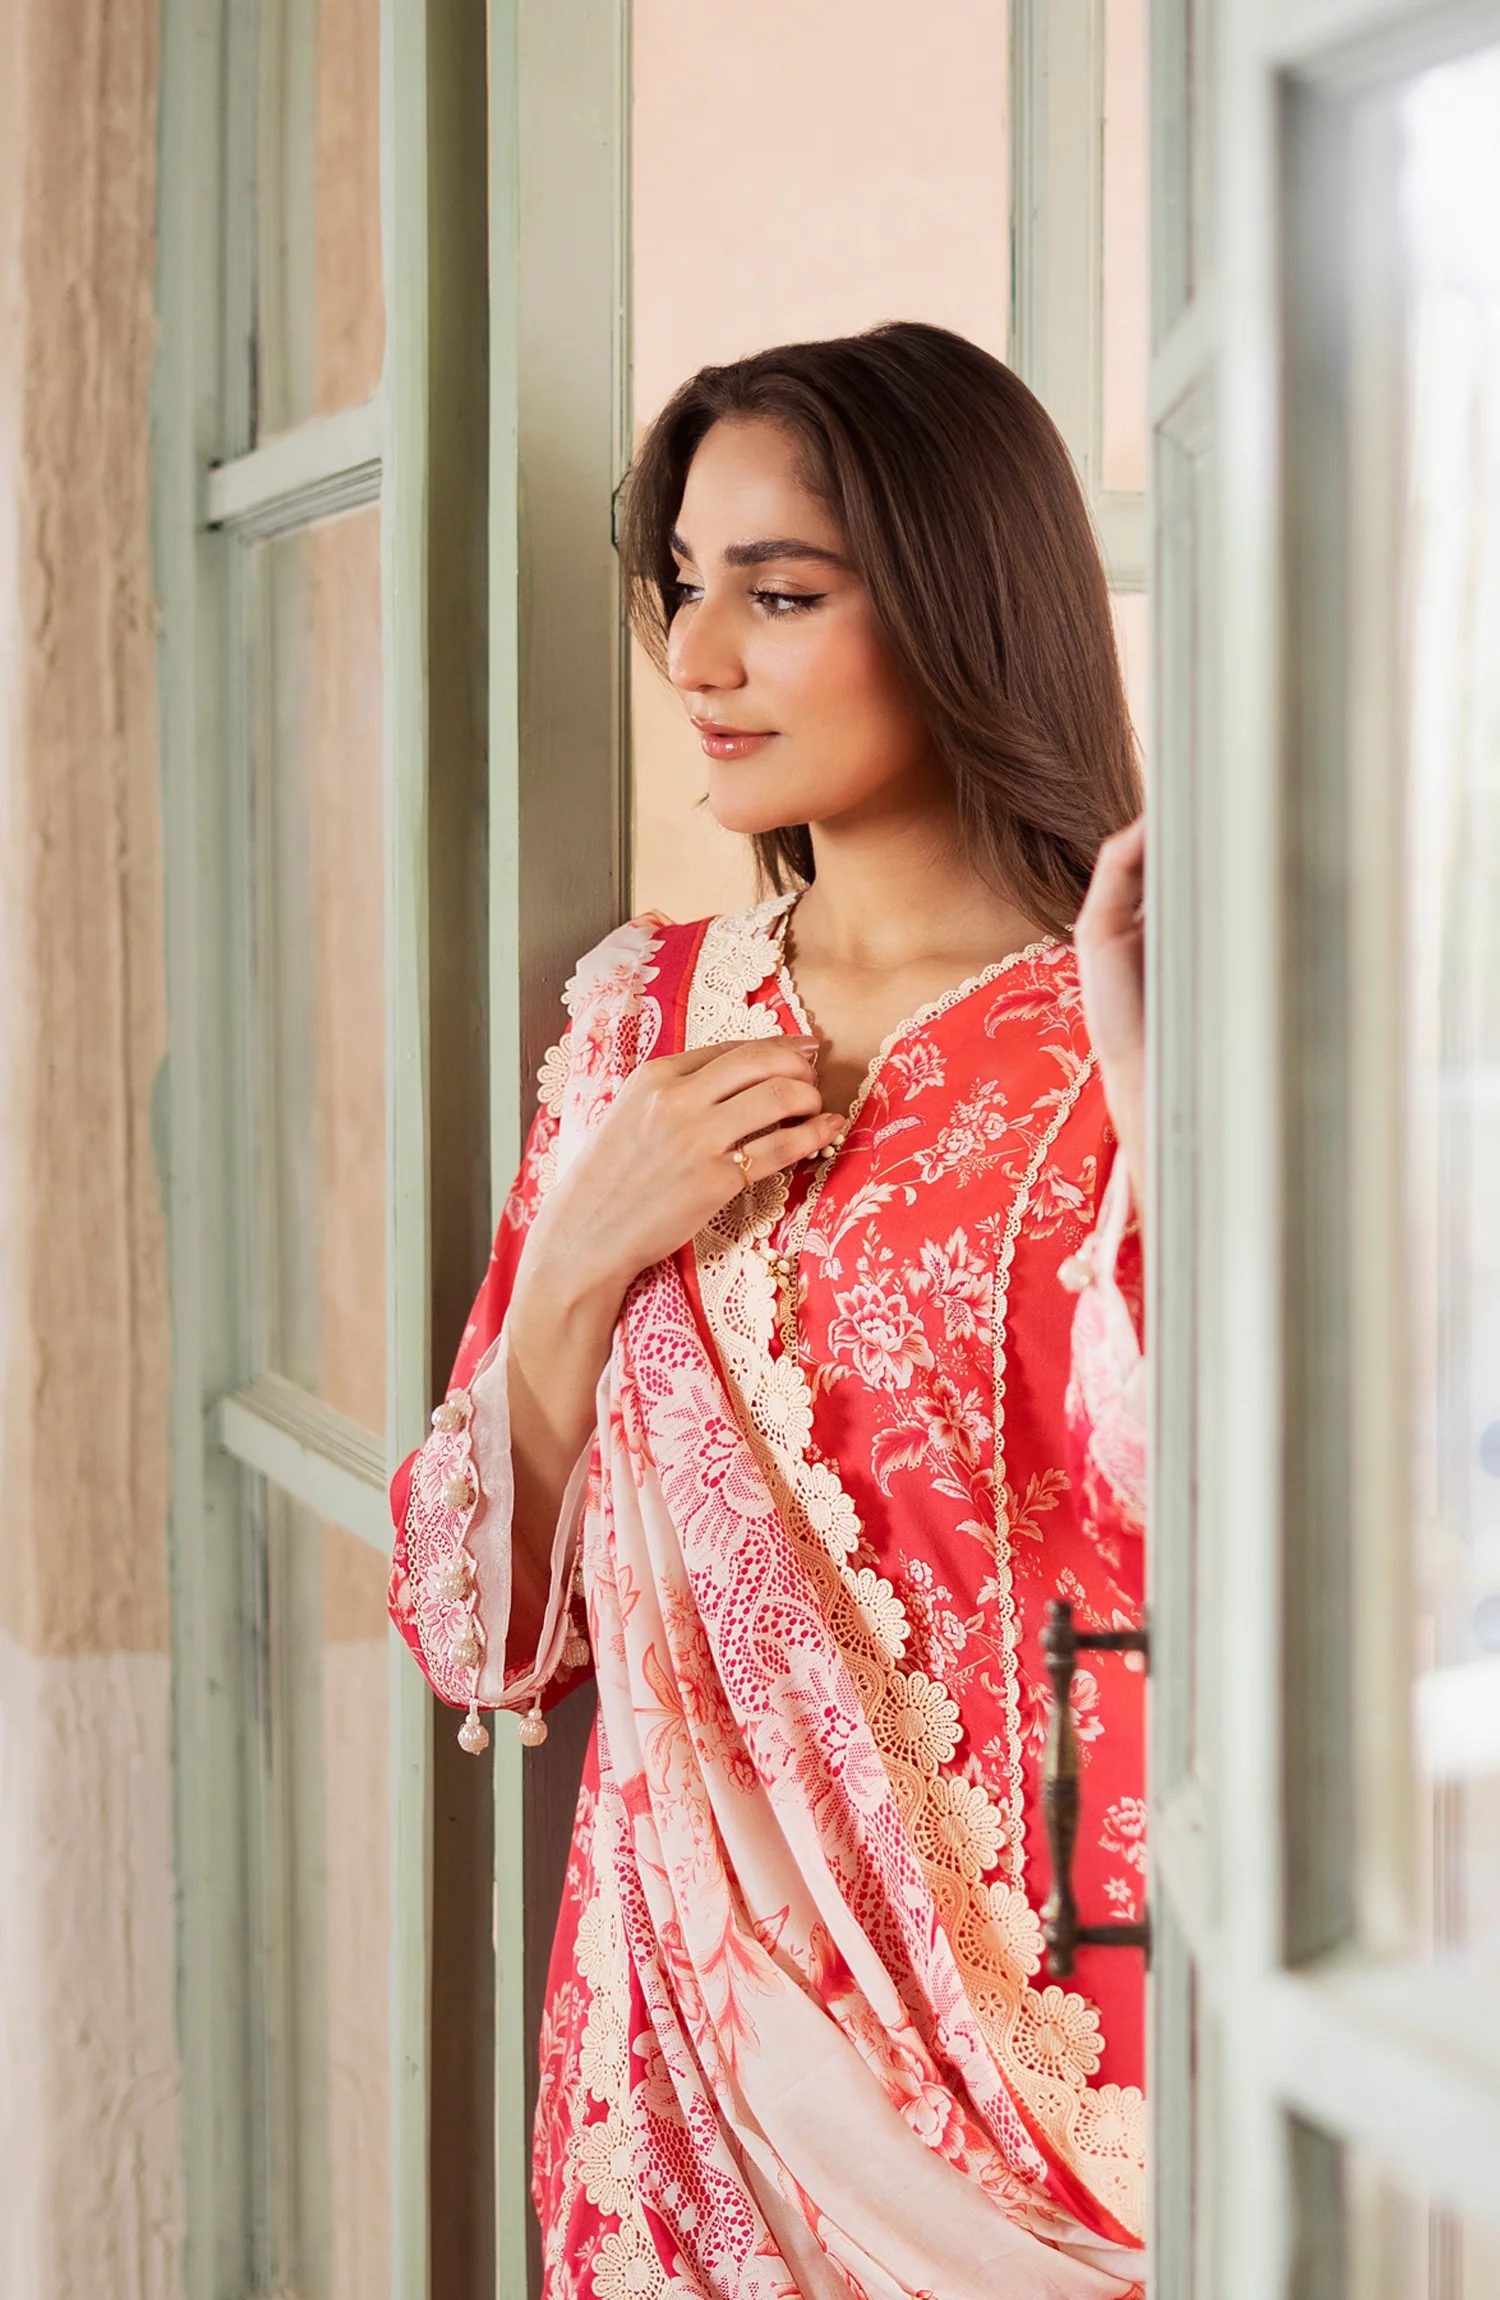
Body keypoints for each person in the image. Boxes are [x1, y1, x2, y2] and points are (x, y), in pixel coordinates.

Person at [389, 322, 1149, 2300]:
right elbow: (477, 1635)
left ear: (965, 606)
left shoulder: (1135, 1042)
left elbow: (1265, 1542)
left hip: (1054, 2058)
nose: (697, 659)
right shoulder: (640, 1024)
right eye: (684, 586)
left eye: (779, 593)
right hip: (685, 2079)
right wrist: (581, 1258)